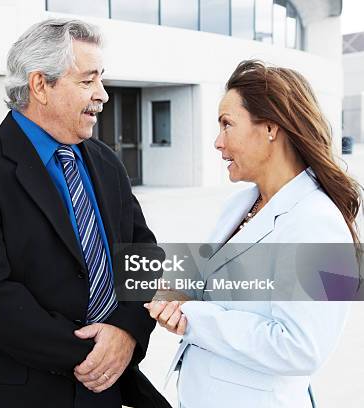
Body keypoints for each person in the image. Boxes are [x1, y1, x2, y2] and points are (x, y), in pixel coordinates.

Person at [0, 18, 170, 408]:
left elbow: (144, 255)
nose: (103, 95)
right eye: (87, 81)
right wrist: (93, 354)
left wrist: (126, 333)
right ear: (40, 85)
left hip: (108, 386)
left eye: (101, 79)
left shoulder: (106, 161)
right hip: (20, 392)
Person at [146, 60, 362, 408]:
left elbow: (301, 349)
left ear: (271, 129)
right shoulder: (240, 204)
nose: (217, 142)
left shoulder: (320, 223)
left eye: (227, 124)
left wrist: (194, 318)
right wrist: (180, 293)